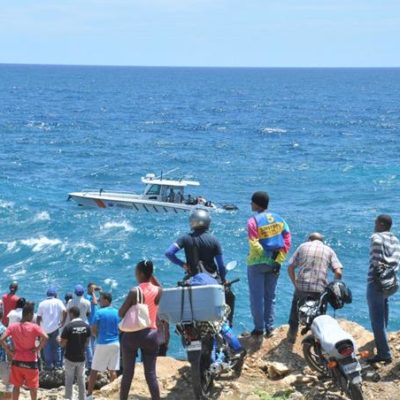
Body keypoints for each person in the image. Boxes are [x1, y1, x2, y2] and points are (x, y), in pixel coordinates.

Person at [247, 191, 291, 337]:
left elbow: (254, 243)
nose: (250, 204)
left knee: (256, 297)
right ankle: (270, 327)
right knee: (270, 296)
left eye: (252, 201)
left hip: (256, 263)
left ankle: (259, 329)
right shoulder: (280, 219)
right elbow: (287, 240)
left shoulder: (253, 221)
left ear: (256, 203)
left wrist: (265, 258)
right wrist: (277, 260)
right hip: (275, 262)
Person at [286, 232, 343, 344]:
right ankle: (318, 342)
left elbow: (290, 267)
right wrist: (333, 287)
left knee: (295, 312)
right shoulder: (329, 250)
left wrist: (295, 283)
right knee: (319, 316)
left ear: (309, 239)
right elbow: (338, 272)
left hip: (302, 287)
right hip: (320, 289)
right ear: (322, 241)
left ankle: (291, 337)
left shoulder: (302, 246)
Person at [119, 260, 162, 400]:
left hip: (132, 336)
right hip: (151, 334)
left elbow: (121, 313)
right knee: (150, 374)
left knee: (128, 373)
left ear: (141, 274)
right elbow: (159, 287)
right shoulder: (159, 291)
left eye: (136, 272)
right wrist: (152, 277)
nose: (135, 274)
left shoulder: (134, 291)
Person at [367, 215, 400, 364]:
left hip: (377, 283)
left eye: (375, 222)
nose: (374, 225)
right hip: (392, 282)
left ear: (381, 224)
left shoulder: (376, 238)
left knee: (376, 319)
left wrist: (377, 277)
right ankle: (382, 340)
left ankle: (384, 353)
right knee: (384, 308)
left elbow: (376, 261)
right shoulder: (395, 240)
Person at [0, 302, 48, 400]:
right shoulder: (34, 327)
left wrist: (9, 351)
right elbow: (46, 337)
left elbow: (1, 339)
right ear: (29, 314)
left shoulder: (13, 326)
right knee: (33, 387)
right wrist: (38, 348)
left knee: (16, 386)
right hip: (31, 362)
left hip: (17, 360)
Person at [165, 208, 226, 282]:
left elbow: (169, 253)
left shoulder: (185, 238)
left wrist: (182, 264)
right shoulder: (214, 240)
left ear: (192, 222)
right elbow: (221, 266)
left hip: (194, 279)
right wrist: (223, 279)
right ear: (207, 222)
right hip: (212, 279)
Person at [87, 292, 120, 400]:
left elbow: (93, 328)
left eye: (100, 299)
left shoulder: (99, 312)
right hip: (115, 343)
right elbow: (120, 327)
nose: (99, 301)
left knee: (94, 370)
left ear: (106, 300)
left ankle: (89, 394)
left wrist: (97, 335)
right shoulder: (117, 312)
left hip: (102, 343)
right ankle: (114, 394)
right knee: (113, 369)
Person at [60, 306, 91, 400]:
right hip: (81, 356)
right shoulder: (86, 326)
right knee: (81, 379)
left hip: (70, 357)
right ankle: (82, 397)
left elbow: (62, 344)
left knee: (69, 379)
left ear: (72, 314)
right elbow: (87, 342)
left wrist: (58, 341)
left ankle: (68, 398)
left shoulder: (68, 327)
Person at [36, 288, 66, 369]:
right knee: (57, 346)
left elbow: (38, 317)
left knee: (47, 347)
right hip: (55, 328)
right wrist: (63, 321)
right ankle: (58, 365)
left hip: (44, 329)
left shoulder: (41, 303)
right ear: (55, 295)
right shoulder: (58, 301)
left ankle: (49, 365)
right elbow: (65, 311)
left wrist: (38, 328)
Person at [85, 283, 101, 370]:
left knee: (95, 342)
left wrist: (100, 291)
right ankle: (91, 363)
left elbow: (100, 301)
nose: (93, 289)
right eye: (92, 288)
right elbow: (95, 302)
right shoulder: (87, 296)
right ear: (88, 288)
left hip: (95, 322)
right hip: (91, 322)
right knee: (91, 343)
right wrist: (94, 292)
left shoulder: (91, 296)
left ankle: (94, 361)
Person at [0, 310, 12, 399]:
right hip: (2, 359)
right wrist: (11, 360)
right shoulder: (4, 329)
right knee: (9, 385)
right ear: (2, 316)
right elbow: (8, 347)